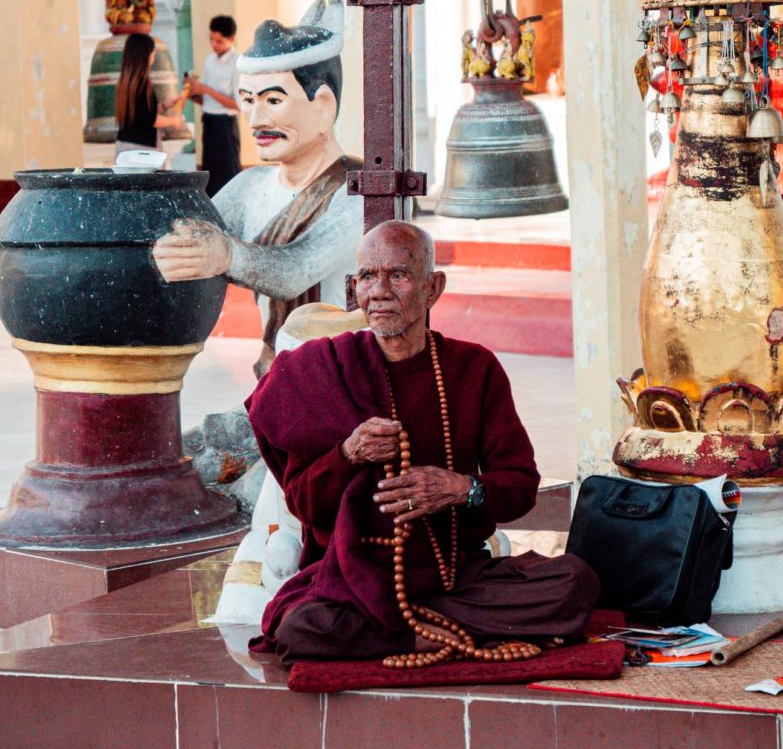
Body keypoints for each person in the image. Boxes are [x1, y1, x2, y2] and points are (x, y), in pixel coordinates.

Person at [245, 221, 599, 663]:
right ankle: (418, 635)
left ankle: (408, 627)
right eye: (367, 278)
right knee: (300, 627)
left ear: (433, 288)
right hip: (352, 579)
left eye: (397, 275)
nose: (379, 292)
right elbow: (304, 505)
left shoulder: (474, 368)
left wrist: (460, 489)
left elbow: (521, 486)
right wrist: (347, 454)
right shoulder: (323, 371)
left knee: (575, 582)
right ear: (353, 289)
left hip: (456, 576)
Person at [153, 0, 362, 378]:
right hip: (274, 380)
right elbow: (184, 228)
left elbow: (295, 270)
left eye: (274, 100)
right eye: (248, 101)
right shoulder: (250, 187)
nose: (255, 119)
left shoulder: (358, 193)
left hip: (342, 387)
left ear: (324, 106)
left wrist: (228, 255)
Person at [188, 15, 242, 196]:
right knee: (209, 176)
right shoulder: (209, 61)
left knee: (228, 175)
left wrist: (207, 89)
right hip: (209, 122)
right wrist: (192, 95)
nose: (214, 45)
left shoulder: (238, 62)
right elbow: (208, 102)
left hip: (226, 124)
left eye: (219, 41)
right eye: (211, 39)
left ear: (231, 39)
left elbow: (237, 104)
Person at [114, 32, 189, 155]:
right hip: (142, 149)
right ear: (146, 55)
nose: (153, 55)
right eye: (152, 51)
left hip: (125, 145)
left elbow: (140, 114)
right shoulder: (141, 84)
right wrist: (174, 121)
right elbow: (151, 120)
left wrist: (163, 106)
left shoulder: (126, 82)